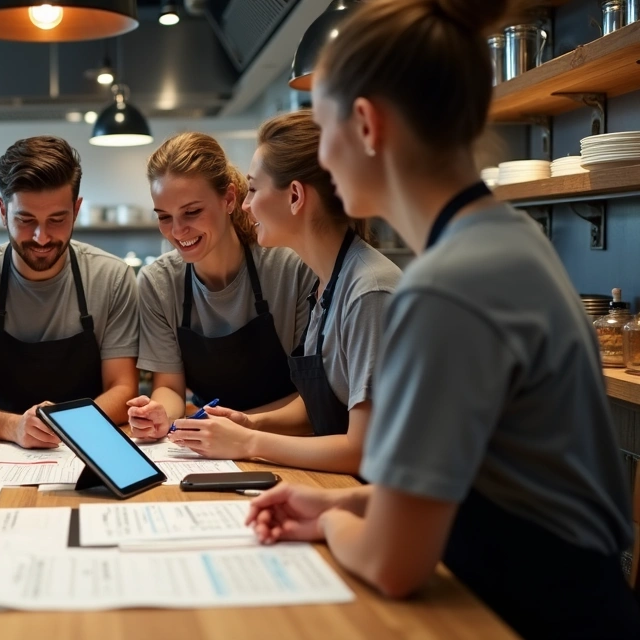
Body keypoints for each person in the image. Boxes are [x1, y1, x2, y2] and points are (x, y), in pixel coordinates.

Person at [245, 1, 640, 637]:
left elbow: (392, 563)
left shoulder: (447, 287)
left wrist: (335, 525)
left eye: (324, 128)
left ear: (367, 126)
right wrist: (346, 501)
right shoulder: (505, 240)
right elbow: (493, 485)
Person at [170, 111, 400, 475]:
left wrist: (249, 443)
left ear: (295, 196)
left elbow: (363, 448)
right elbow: (323, 404)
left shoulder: (369, 291)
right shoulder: (328, 282)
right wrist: (250, 424)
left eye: (254, 189)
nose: (246, 206)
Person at [0, 136, 139, 448]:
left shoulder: (112, 278)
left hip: (93, 442)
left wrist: (66, 424)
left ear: (77, 209)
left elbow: (122, 386)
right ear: (3, 211)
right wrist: (16, 427)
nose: (42, 237)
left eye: (57, 220)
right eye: (26, 220)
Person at [127, 132, 315, 438]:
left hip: (288, 439)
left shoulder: (290, 269)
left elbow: (315, 398)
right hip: (210, 441)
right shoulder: (158, 282)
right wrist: (159, 413)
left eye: (192, 212)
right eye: (164, 217)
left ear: (228, 199)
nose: (177, 231)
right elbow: (170, 388)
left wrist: (238, 428)